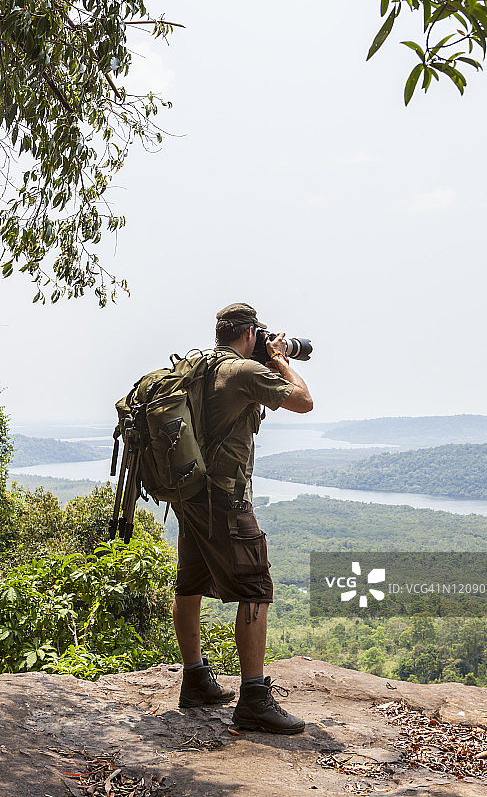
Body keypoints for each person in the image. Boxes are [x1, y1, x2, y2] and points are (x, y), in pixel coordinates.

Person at [172, 302, 313, 734]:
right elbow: (304, 402)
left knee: (190, 581)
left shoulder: (198, 364)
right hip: (225, 500)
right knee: (256, 587)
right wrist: (281, 360)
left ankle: (196, 680)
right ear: (250, 334)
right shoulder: (244, 373)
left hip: (191, 496)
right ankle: (253, 697)